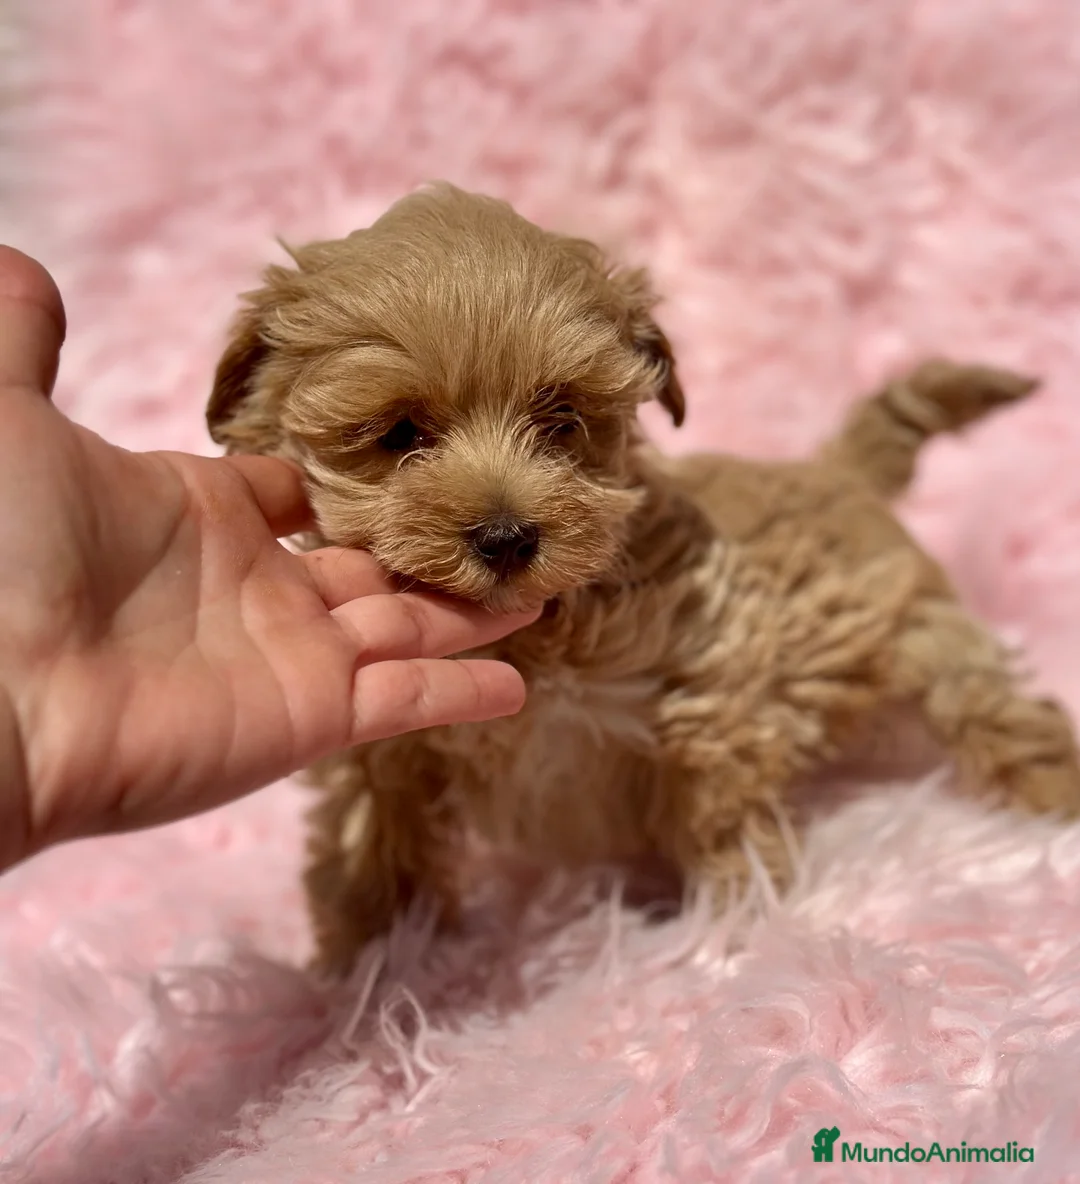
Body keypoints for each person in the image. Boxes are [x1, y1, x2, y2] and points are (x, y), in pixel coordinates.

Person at [0, 245, 539, 873]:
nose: (504, 516)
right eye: (400, 437)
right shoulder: (331, 646)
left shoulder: (659, 586)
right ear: (256, 399)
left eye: (559, 423)